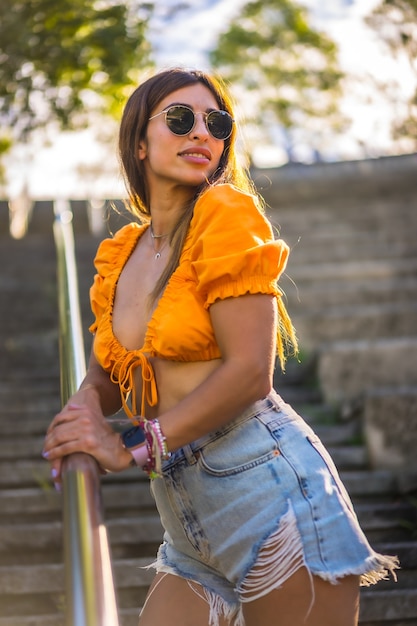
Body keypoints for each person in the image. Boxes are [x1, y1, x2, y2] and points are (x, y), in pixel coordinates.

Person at [43, 67, 398, 626]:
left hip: (272, 501)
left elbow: (252, 371)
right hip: (188, 530)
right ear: (139, 142)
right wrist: (80, 414)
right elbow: (107, 376)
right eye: (180, 119)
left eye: (218, 123)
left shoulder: (224, 214)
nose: (202, 134)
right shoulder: (122, 253)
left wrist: (131, 447)